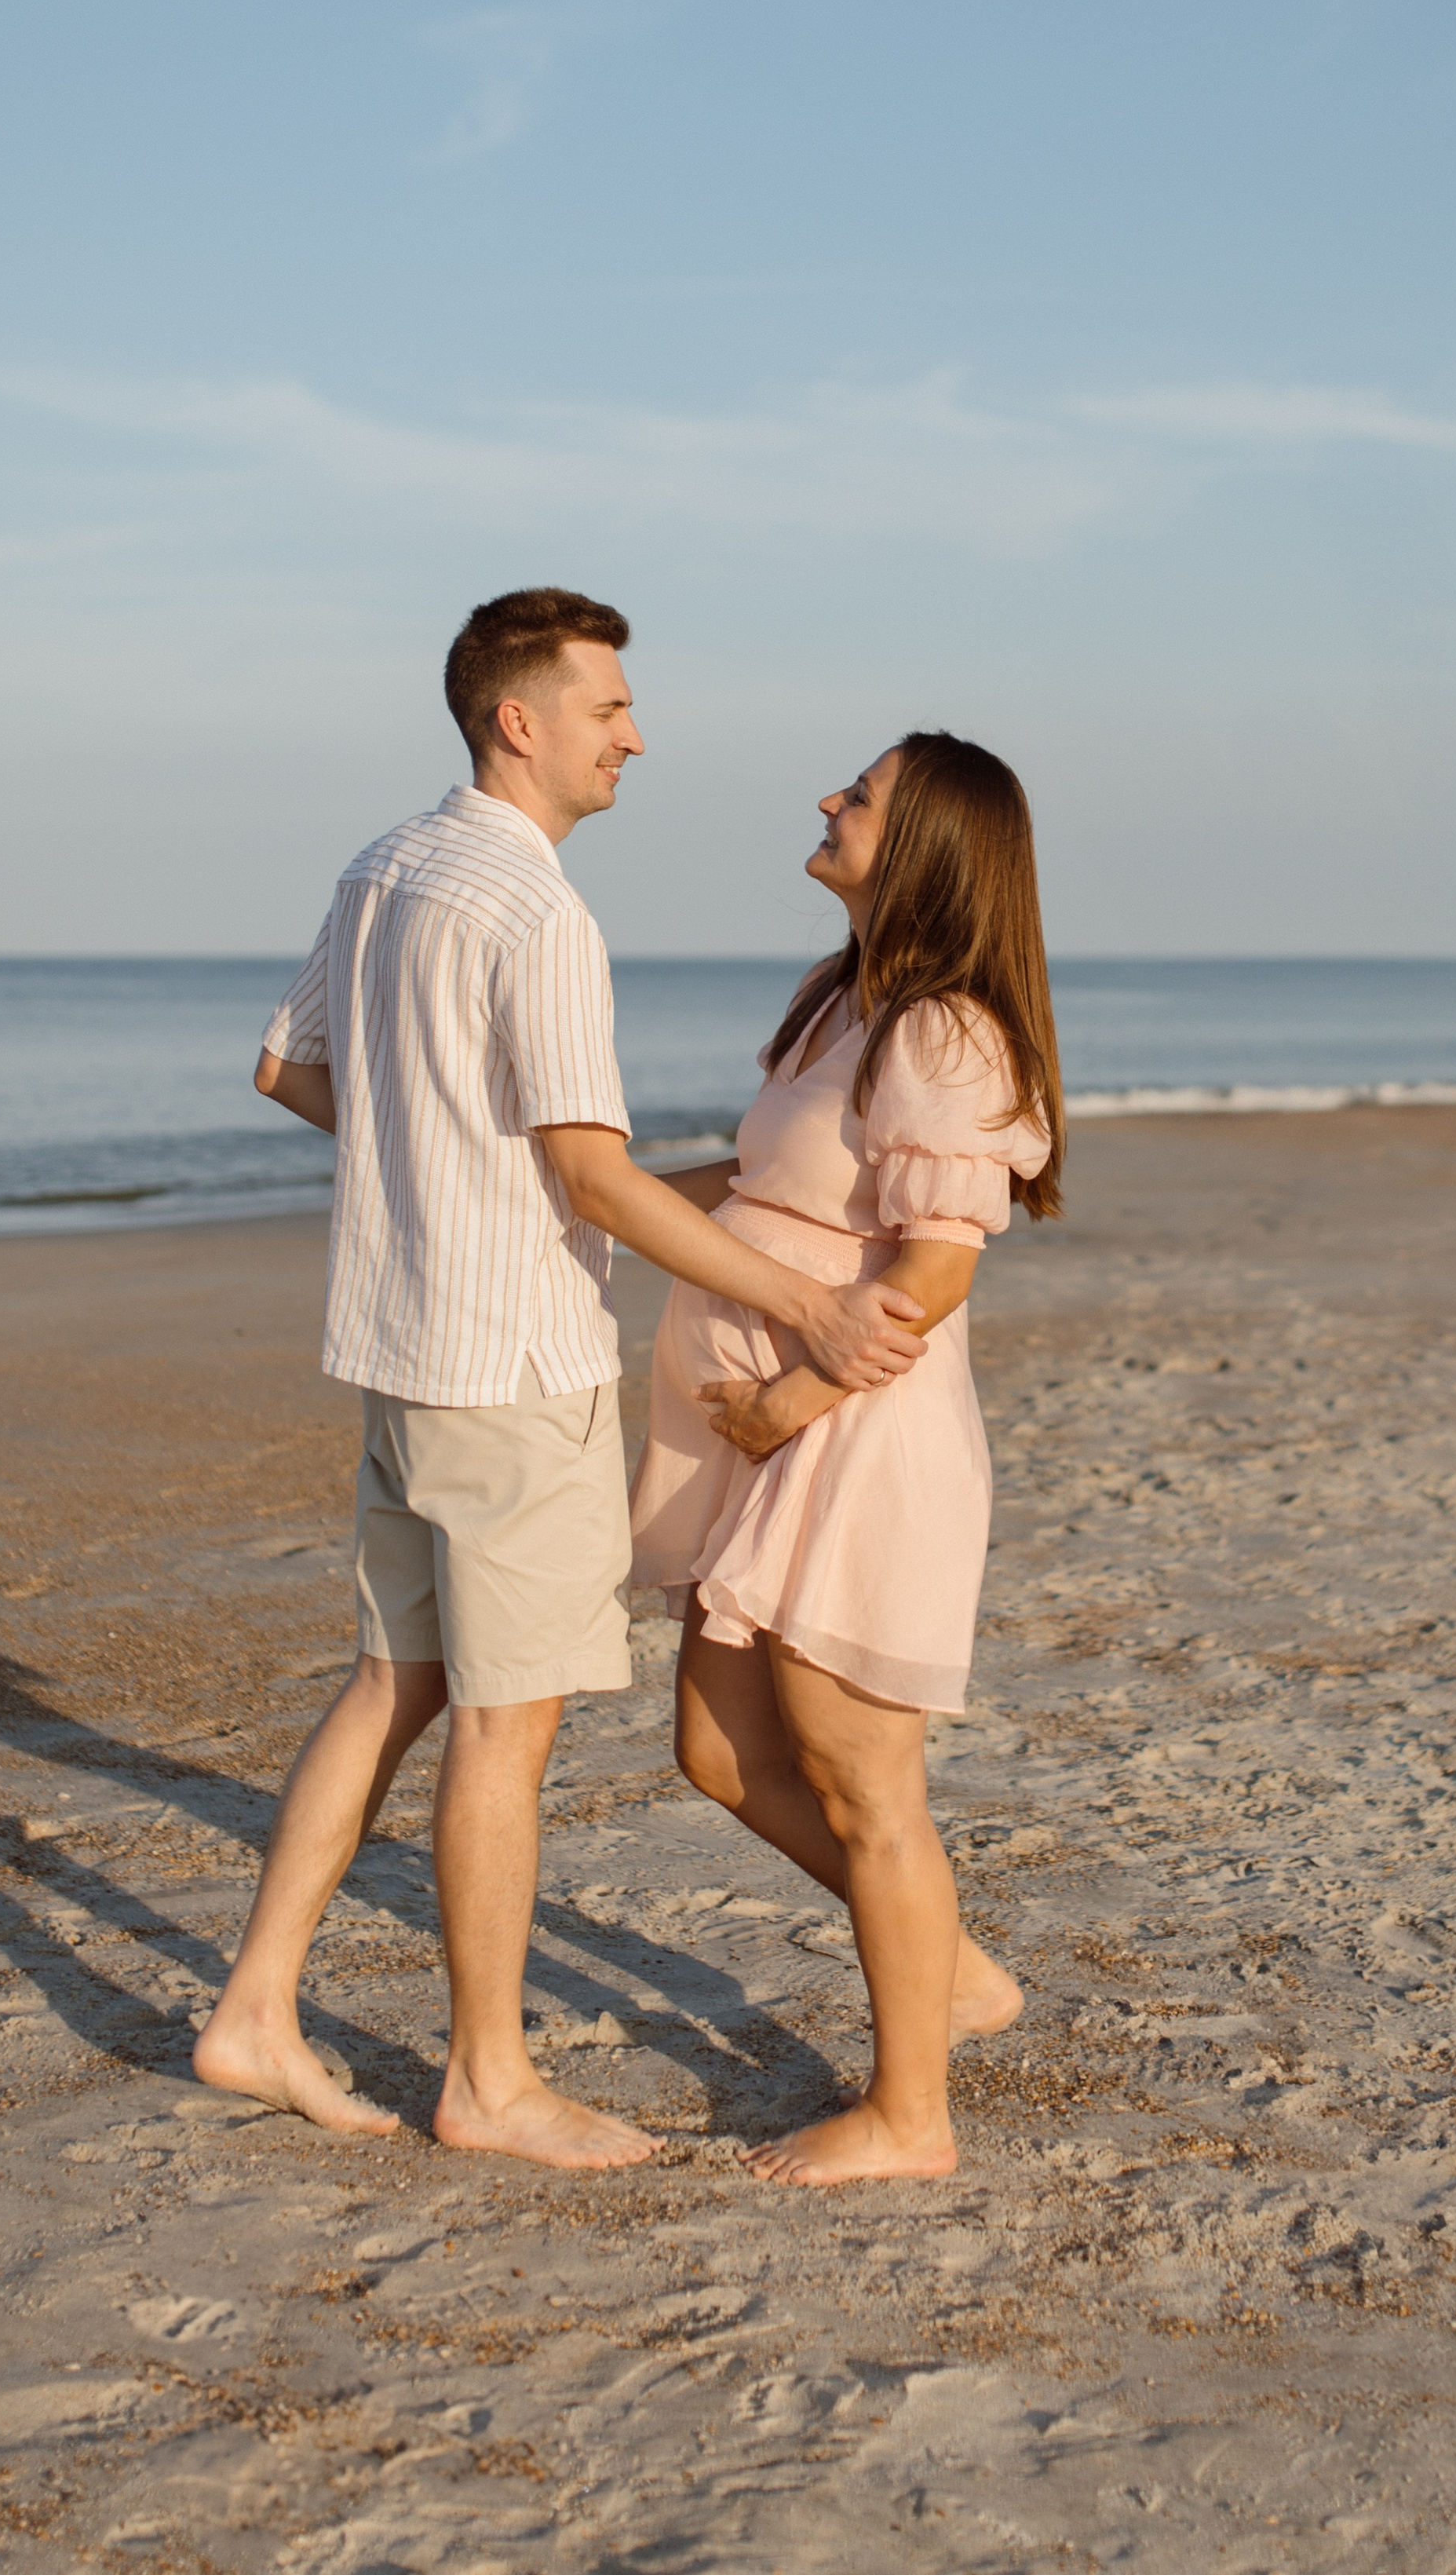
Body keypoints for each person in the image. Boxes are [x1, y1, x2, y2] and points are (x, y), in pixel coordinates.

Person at [193, 587, 929, 2171]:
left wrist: (442, 1159)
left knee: (400, 1676)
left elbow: (285, 1065)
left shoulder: (380, 864)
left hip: (396, 1348)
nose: (634, 733)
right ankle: (487, 2079)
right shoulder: (534, 912)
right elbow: (587, 1178)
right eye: (608, 707)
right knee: (502, 1729)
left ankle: (254, 2005)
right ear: (516, 718)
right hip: (509, 1361)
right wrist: (803, 1298)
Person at [629, 730, 1064, 2185]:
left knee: (864, 1778)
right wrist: (584, 1191)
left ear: (931, 843)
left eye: (861, 795)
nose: (828, 799)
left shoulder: (947, 1030)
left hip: (852, 1432)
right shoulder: (843, 1000)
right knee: (716, 1745)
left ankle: (910, 2114)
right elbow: (761, 1192)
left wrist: (785, 1406)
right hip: (775, 1425)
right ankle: (954, 1970)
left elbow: (937, 1269)